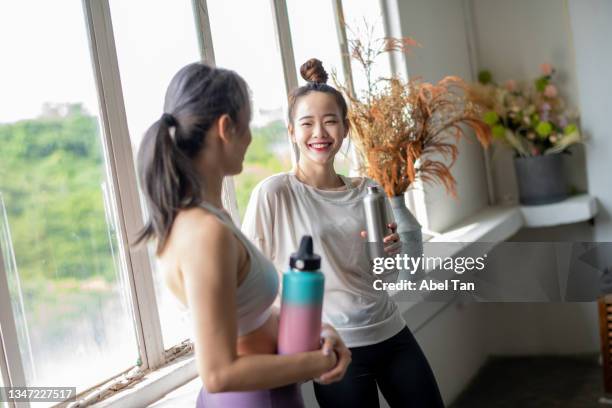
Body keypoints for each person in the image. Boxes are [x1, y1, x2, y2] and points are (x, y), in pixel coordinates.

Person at [134, 62, 351, 408]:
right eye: (247, 125)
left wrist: (321, 333)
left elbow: (253, 316)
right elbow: (218, 373)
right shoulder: (204, 233)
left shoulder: (210, 216)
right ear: (226, 128)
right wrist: (321, 362)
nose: (250, 139)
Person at [242, 58, 444, 408]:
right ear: (291, 131)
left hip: (391, 331)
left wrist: (389, 253)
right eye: (307, 123)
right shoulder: (275, 194)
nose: (319, 133)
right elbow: (248, 276)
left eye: (330, 122)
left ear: (346, 129)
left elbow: (384, 277)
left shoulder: (367, 190)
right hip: (333, 347)